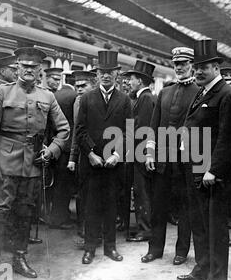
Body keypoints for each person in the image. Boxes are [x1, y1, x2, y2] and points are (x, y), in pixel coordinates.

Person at [0, 47, 70, 280]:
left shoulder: (48, 97)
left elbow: (64, 129)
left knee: (25, 212)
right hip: (3, 163)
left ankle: (19, 258)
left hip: (33, 165)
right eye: (24, 66)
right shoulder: (1, 92)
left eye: (34, 67)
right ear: (17, 67)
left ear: (40, 70)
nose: (29, 70)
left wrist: (51, 151)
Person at [177, 39, 231, 280]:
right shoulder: (203, 92)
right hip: (196, 167)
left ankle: (217, 279)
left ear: (217, 67)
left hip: (213, 174)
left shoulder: (227, 95)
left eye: (205, 67)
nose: (199, 71)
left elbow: (228, 137)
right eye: (197, 67)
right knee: (200, 224)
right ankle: (202, 269)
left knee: (215, 228)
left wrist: (213, 170)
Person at [141, 47, 198, 264]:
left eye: (184, 63)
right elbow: (153, 126)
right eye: (176, 64)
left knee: (185, 206)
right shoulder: (164, 92)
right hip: (162, 159)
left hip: (186, 160)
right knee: (158, 205)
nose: (180, 67)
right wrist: (149, 153)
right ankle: (155, 249)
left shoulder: (198, 91)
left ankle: (181, 251)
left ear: (191, 65)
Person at [76, 50, 131, 264]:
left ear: (117, 74)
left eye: (110, 72)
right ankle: (90, 248)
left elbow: (129, 131)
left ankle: (110, 247)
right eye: (102, 72)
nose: (106, 76)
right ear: (96, 75)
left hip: (113, 164)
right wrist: (90, 153)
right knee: (91, 206)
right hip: (91, 164)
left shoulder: (124, 100)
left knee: (111, 206)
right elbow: (80, 130)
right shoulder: (86, 98)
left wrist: (117, 153)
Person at [122, 60, 156, 242]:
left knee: (142, 192)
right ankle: (145, 227)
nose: (129, 82)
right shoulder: (146, 98)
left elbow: (143, 130)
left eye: (132, 79)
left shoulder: (144, 99)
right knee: (142, 192)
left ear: (140, 81)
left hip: (141, 153)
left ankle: (145, 229)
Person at [68, 70, 97, 239]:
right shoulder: (79, 102)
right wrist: (73, 157)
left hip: (103, 151)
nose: (79, 89)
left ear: (93, 85)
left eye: (83, 86)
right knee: (84, 192)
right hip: (85, 153)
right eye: (76, 86)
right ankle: (84, 228)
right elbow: (77, 131)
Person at [49, 75, 78, 229]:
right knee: (65, 184)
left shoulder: (55, 95)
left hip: (56, 144)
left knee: (58, 183)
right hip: (69, 147)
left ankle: (56, 215)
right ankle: (60, 218)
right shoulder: (75, 96)